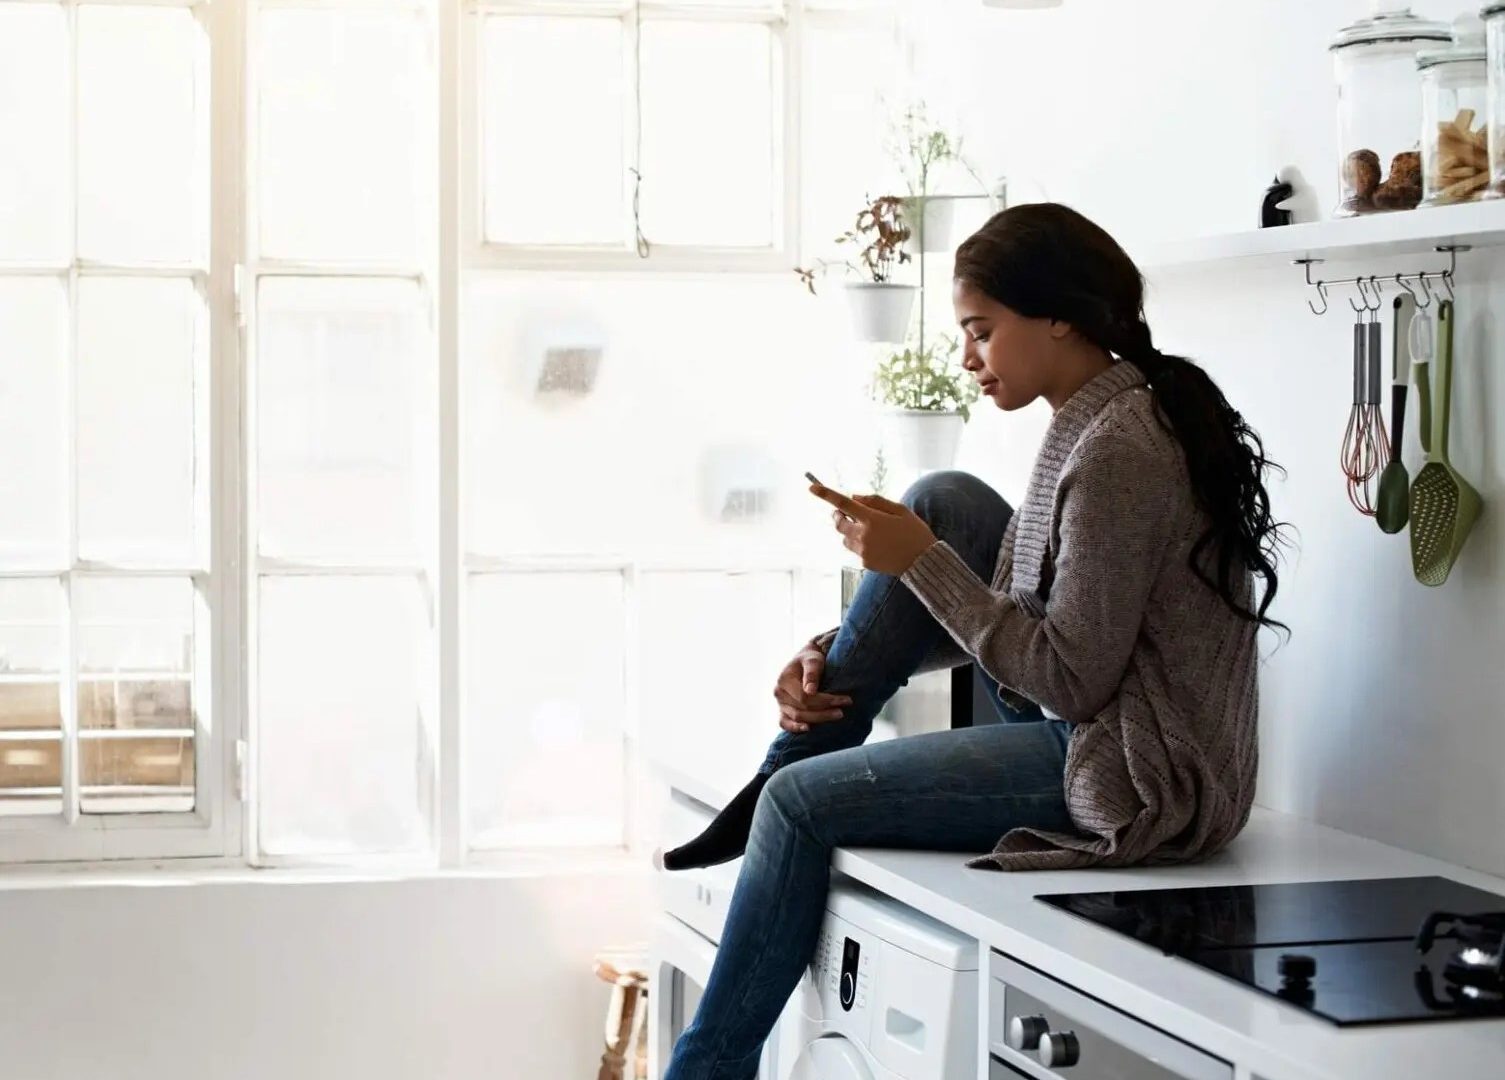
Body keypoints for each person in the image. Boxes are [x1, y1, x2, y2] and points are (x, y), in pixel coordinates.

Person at [659, 202, 1285, 1080]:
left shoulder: (1119, 452)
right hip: (1095, 714)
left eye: (980, 331)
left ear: (1058, 317)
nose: (965, 358)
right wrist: (833, 642)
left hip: (1134, 767)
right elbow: (1031, 617)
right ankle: (812, 714)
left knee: (797, 805)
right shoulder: (1095, 417)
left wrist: (923, 567)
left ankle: (700, 1068)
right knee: (941, 494)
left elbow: (1068, 678)